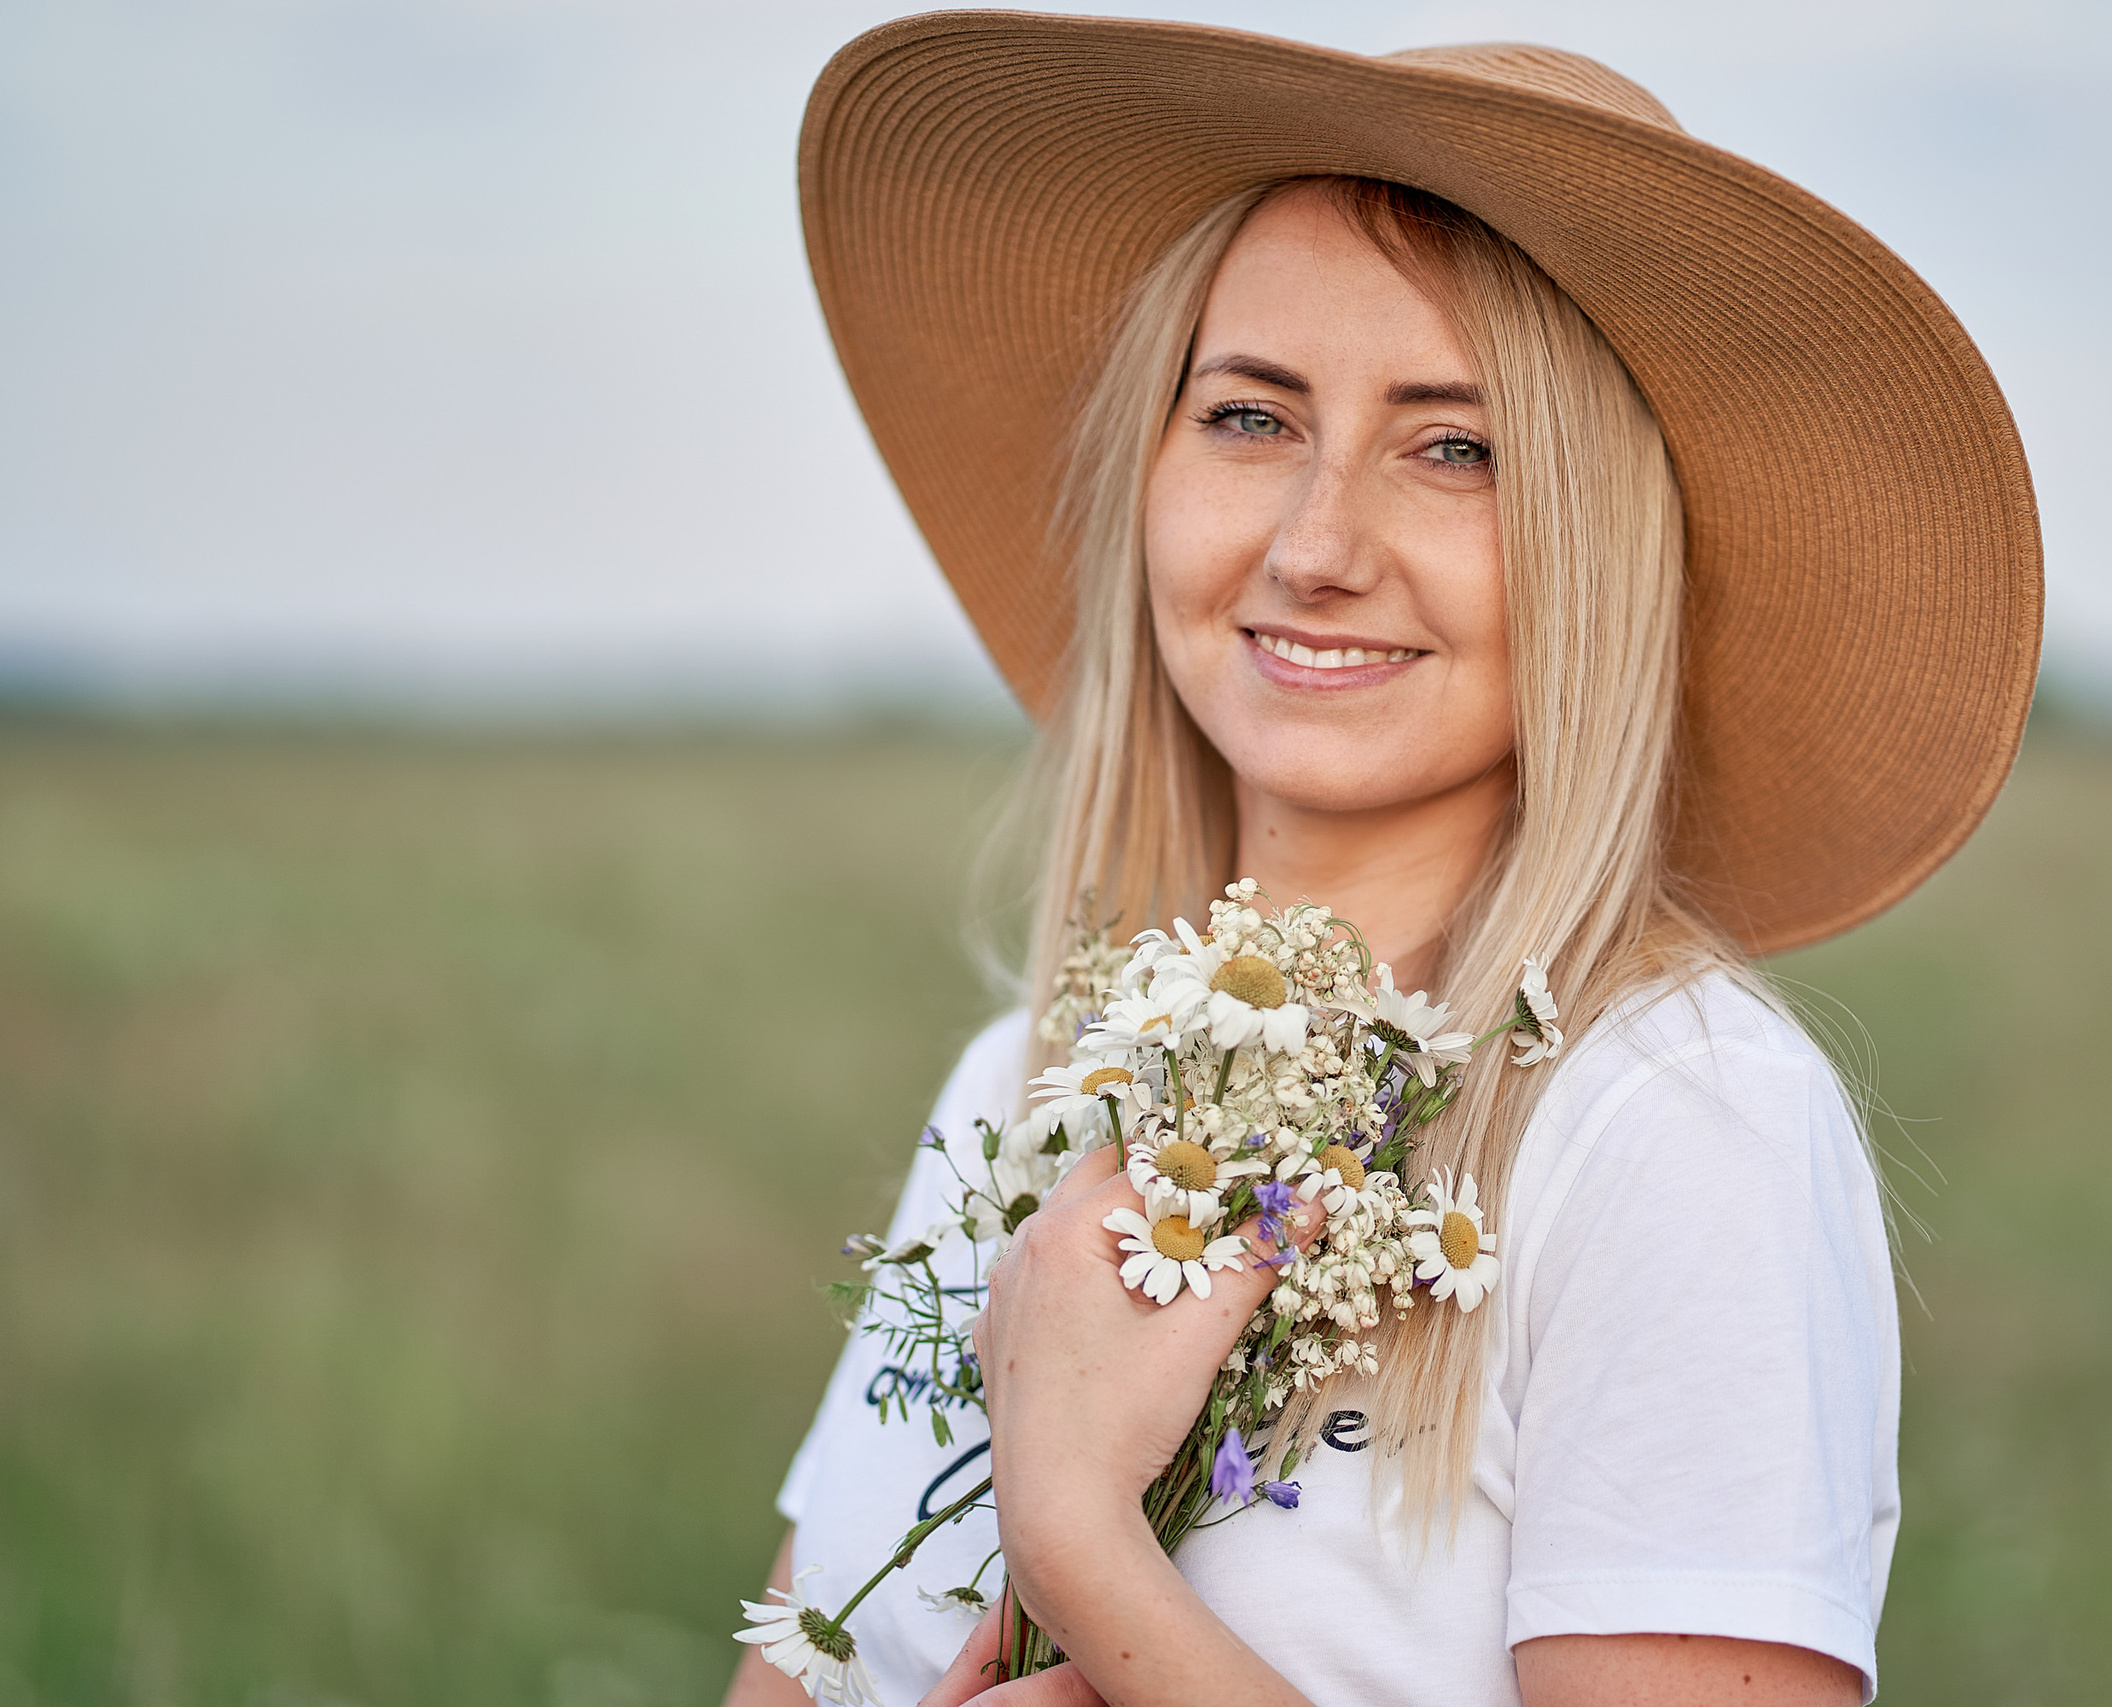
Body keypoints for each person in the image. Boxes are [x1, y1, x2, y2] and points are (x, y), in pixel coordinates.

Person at [727, 13, 2040, 1707]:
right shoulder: (1031, 1086)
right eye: (1251, 416)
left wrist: (1078, 1537)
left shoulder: (1668, 1127)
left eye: (1455, 448)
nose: (1318, 545)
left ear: (1595, 541)